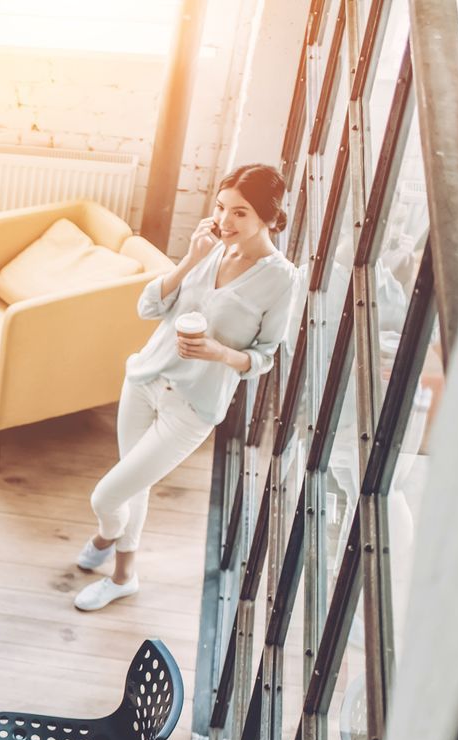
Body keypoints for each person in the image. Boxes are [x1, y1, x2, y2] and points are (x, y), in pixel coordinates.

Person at [77, 163, 301, 611]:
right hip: (145, 378)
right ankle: (123, 576)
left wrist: (218, 353)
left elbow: (265, 357)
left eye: (240, 213)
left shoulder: (281, 278)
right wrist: (189, 260)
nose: (224, 221)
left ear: (270, 217)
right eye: (220, 208)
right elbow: (148, 307)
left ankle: (106, 534)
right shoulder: (209, 248)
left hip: (193, 407)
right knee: (132, 485)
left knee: (107, 495)